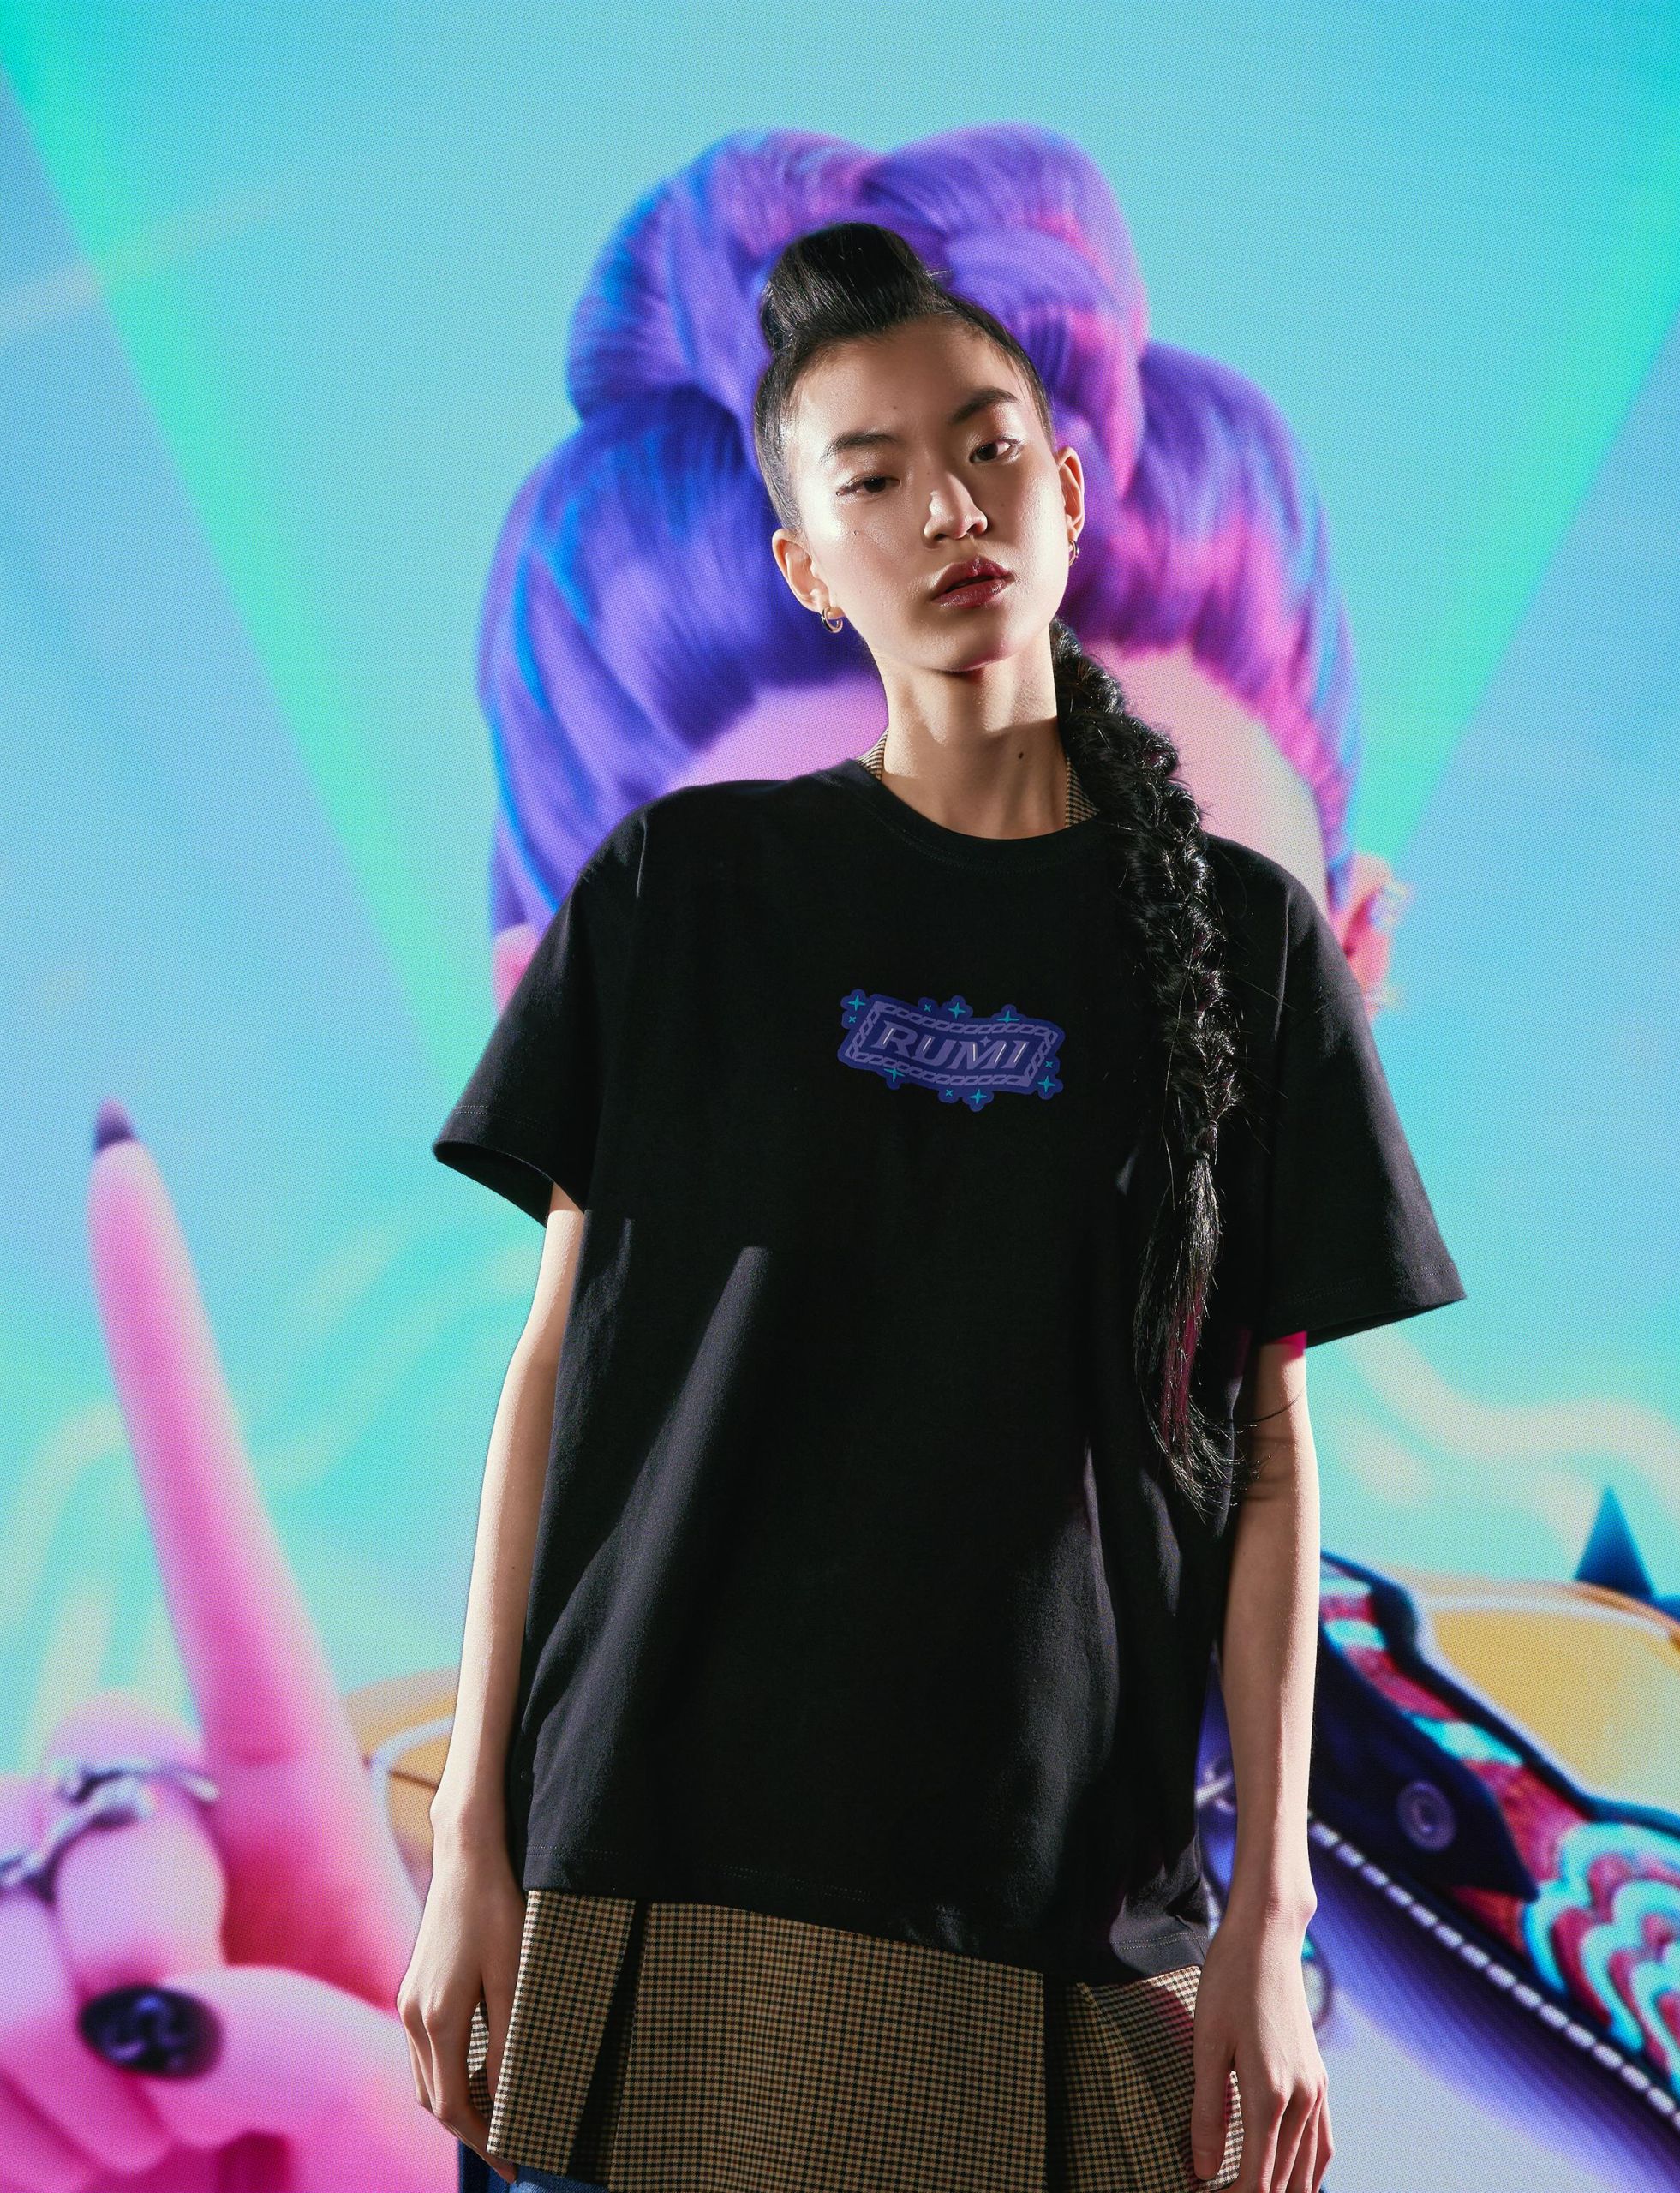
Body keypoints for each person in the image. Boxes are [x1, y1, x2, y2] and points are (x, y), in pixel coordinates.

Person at [401, 218, 1465, 2193]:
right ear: (806, 563)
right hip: (656, 1875)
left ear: (1062, 487)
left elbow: (1265, 1450)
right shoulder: (674, 898)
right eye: (871, 477)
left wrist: (1269, 1911)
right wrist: (471, 1833)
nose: (946, 510)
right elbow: (550, 1375)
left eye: (982, 450)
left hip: (1052, 1900)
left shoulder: (1246, 949)